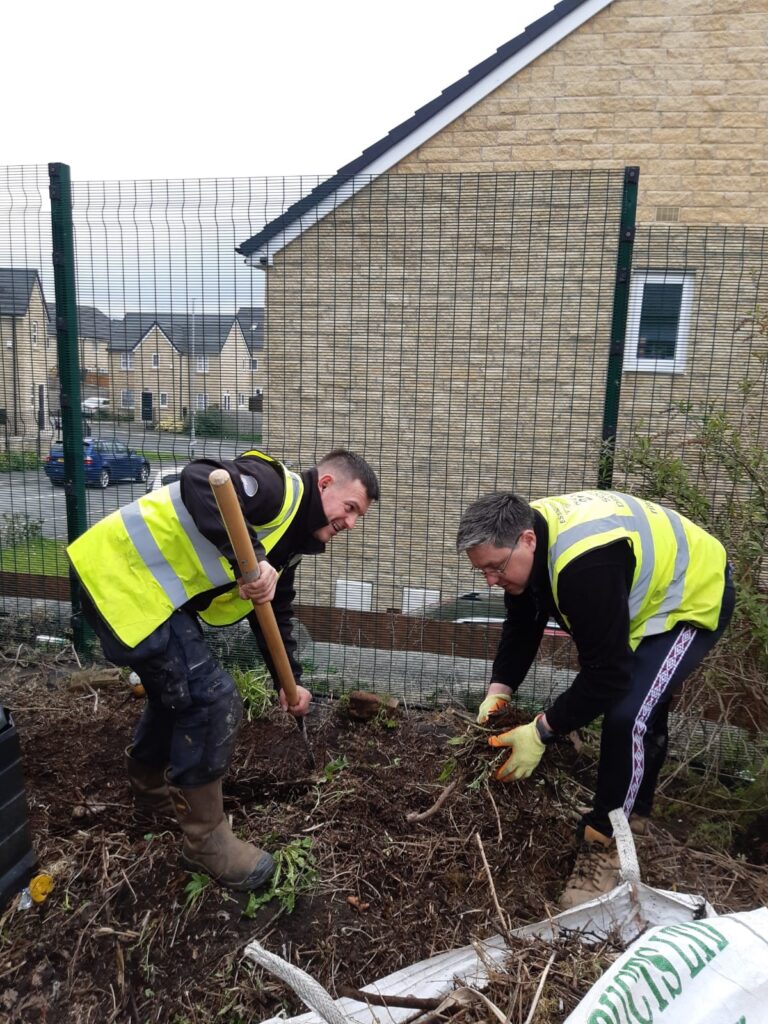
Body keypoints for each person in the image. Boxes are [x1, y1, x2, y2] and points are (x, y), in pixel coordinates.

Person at [68, 448, 379, 892]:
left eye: (357, 518)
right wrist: (249, 556)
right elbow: (200, 477)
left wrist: (289, 683)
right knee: (210, 698)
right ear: (325, 484)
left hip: (138, 588)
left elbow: (275, 613)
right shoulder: (276, 490)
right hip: (124, 578)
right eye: (350, 509)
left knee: (175, 692)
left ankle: (150, 792)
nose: (350, 523)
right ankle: (206, 842)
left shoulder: (287, 545)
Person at [456, 489, 734, 909]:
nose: (491, 580)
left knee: (627, 717)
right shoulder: (527, 538)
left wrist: (542, 731)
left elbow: (608, 675)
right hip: (641, 596)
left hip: (690, 593)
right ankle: (632, 808)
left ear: (527, 540)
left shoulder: (584, 566)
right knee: (639, 702)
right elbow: (523, 623)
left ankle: (607, 842)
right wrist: (499, 691)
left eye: (495, 568)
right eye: (483, 572)